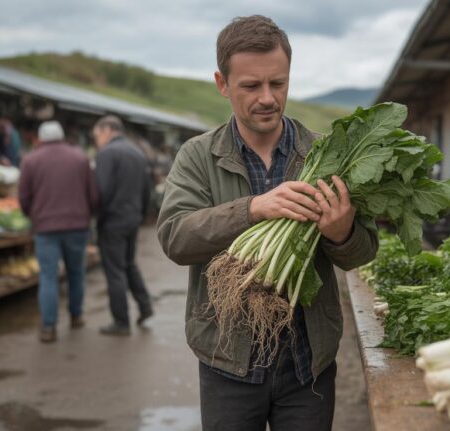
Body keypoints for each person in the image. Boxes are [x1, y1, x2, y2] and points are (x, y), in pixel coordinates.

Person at [156, 15, 378, 431]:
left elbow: (363, 252)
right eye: (251, 86)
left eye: (278, 83)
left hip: (307, 364)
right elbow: (174, 237)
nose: (267, 98)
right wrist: (253, 209)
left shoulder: (324, 153)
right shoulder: (198, 156)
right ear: (222, 84)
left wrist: (342, 233)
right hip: (228, 363)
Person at [18, 121, 97, 343]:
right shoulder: (80, 158)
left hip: (45, 228)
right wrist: (87, 215)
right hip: (77, 226)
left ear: (40, 139)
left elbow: (23, 197)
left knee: (48, 276)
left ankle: (48, 327)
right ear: (62, 137)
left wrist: (32, 215)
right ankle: (76, 316)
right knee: (76, 273)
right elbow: (93, 195)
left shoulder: (30, 160)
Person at [93, 115, 153, 336]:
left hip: (113, 220)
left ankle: (121, 322)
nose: (97, 140)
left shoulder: (107, 153)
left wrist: (96, 219)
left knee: (115, 271)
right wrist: (142, 214)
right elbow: (147, 188)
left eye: (97, 135)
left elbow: (102, 190)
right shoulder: (136, 152)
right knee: (129, 264)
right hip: (132, 219)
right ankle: (145, 305)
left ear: (108, 130)